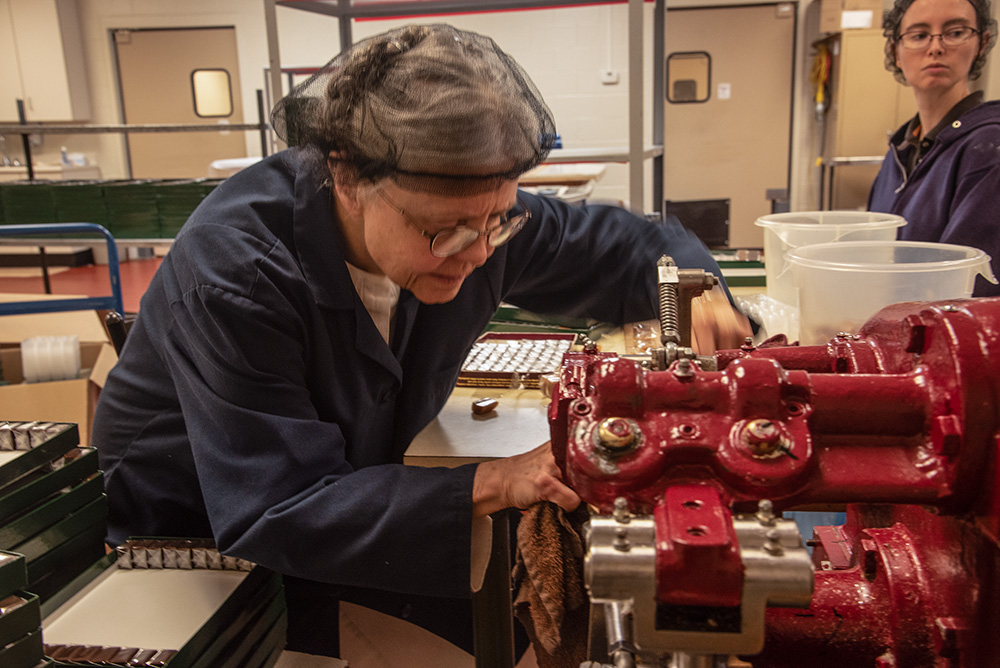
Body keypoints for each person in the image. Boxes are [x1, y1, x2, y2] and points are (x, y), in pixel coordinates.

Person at [92, 24, 750, 661]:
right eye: (446, 231)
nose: (476, 252)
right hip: (201, 542)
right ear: (347, 179)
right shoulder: (239, 274)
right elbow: (278, 505)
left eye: (499, 220)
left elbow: (618, 247)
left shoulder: (474, 215)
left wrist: (699, 297)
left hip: (344, 491)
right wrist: (493, 480)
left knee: (517, 630)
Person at [868, 0, 1000, 295]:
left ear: (982, 43)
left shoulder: (988, 148)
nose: (936, 47)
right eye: (919, 35)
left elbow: (967, 292)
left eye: (955, 32)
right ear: (895, 51)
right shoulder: (900, 150)